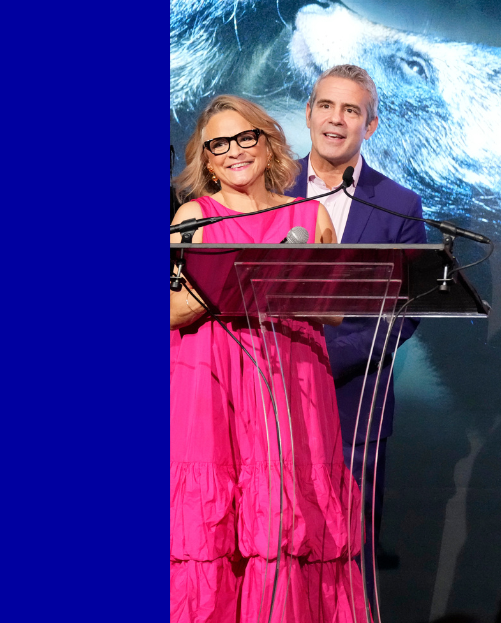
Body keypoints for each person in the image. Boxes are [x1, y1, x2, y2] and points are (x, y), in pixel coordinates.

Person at [170, 94, 365, 623]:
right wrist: (235, 281)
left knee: (290, 513)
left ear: (268, 142)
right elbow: (169, 310)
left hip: (293, 378)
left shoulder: (310, 214)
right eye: (218, 145)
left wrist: (292, 281)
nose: (233, 152)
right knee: (218, 521)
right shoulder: (193, 217)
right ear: (206, 160)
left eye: (244, 138)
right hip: (215, 381)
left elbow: (334, 309)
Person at [285, 64, 428, 584]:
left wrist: (331, 355)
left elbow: (407, 310)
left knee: (348, 555)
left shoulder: (398, 205)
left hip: (355, 400)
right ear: (308, 114)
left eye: (351, 110)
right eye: (325, 106)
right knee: (276, 546)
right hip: (269, 395)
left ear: (370, 125)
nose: (335, 120)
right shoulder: (267, 191)